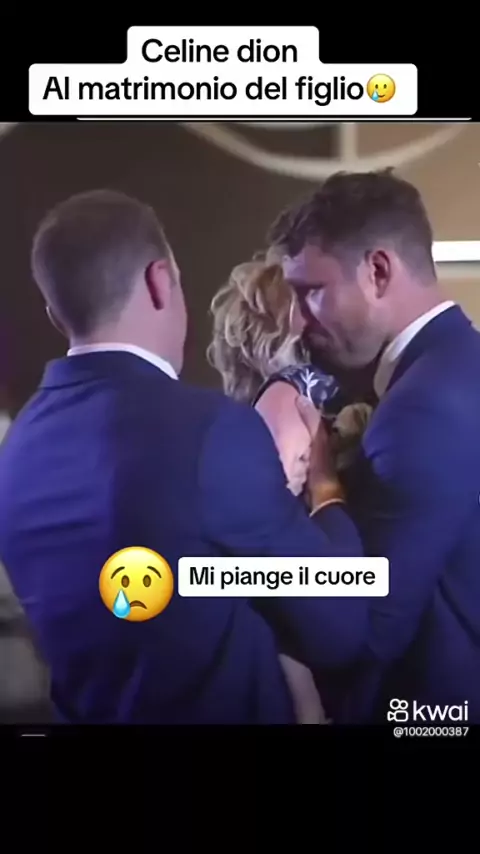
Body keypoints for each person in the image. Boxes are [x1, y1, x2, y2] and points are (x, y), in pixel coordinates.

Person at [0, 190, 368, 725]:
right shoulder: (210, 431)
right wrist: (327, 488)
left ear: (56, 313)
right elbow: (339, 626)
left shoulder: (16, 451)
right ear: (159, 281)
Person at [269, 168, 480, 722]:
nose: (296, 321)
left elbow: (367, 631)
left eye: (311, 292)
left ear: (378, 272)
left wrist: (322, 482)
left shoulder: (424, 407)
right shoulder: (458, 368)